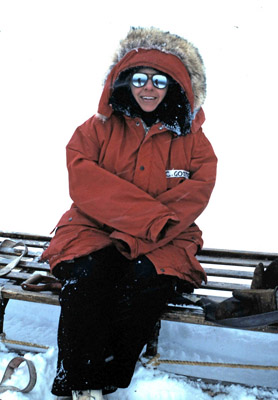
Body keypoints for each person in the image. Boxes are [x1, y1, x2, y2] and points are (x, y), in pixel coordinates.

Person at [41, 26, 217, 400]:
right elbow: (85, 182)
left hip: (167, 236)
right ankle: (79, 381)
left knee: (144, 279)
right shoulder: (95, 130)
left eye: (159, 80)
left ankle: (111, 375)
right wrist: (143, 220)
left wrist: (147, 229)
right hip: (92, 228)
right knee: (89, 274)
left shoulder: (195, 142)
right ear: (124, 82)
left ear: (176, 85)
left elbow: (194, 194)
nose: (148, 88)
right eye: (139, 78)